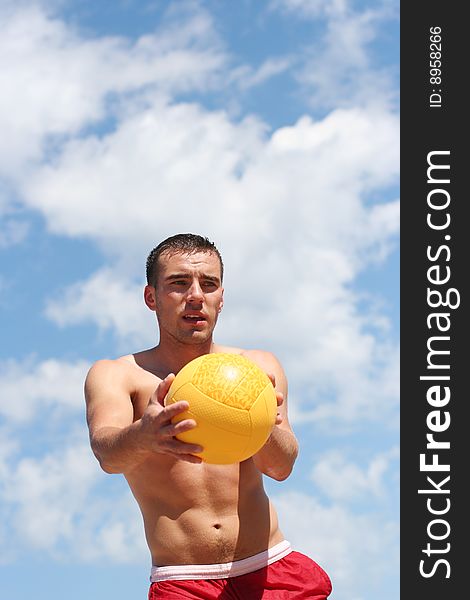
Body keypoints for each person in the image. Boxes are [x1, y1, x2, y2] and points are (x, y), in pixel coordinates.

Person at [85, 233, 332, 599]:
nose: (196, 296)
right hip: (184, 579)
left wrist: (260, 419)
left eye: (209, 284)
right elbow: (107, 453)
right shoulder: (118, 375)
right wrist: (145, 434)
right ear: (151, 297)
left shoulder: (256, 367)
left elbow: (281, 467)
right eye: (179, 283)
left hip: (271, 571)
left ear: (221, 297)